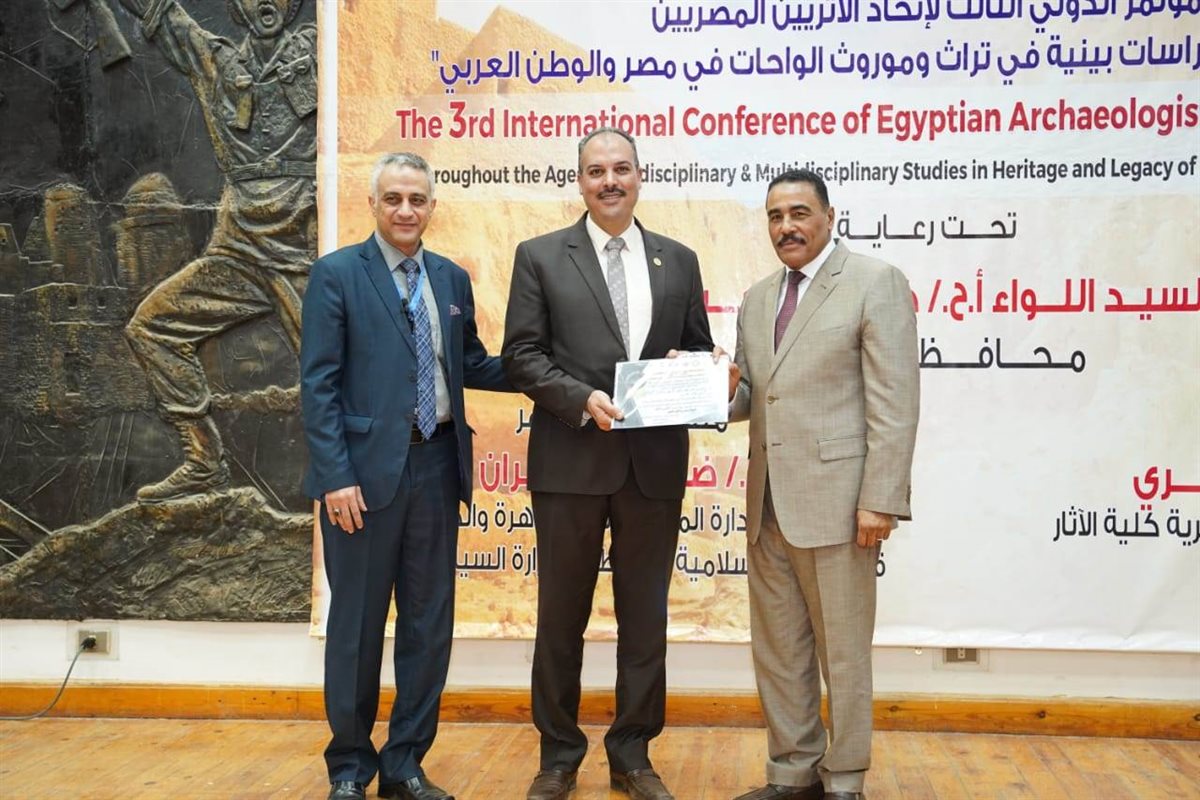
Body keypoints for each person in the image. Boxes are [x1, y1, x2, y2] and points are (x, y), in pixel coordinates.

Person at [502, 127, 722, 800]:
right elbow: (521, 356)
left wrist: (698, 368)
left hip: (652, 468)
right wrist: (580, 398)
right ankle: (558, 757)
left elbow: (698, 348)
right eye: (596, 170)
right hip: (569, 463)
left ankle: (632, 756)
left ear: (638, 176)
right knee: (560, 619)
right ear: (580, 181)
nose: (609, 181)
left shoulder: (678, 260)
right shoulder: (540, 256)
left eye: (621, 168)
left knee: (645, 620)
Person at [300, 153, 511, 800]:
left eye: (417, 199)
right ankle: (349, 767)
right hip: (361, 481)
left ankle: (404, 765)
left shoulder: (450, 278)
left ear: (432, 207)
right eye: (393, 198)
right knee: (356, 629)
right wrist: (335, 476)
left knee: (428, 625)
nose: (405, 210)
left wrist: (549, 366)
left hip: (438, 469)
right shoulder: (337, 274)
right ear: (372, 204)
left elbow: (472, 364)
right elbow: (318, 384)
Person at [727, 169, 920, 800]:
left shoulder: (875, 282)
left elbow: (895, 404)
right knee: (779, 652)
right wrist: (716, 389)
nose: (786, 226)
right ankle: (793, 773)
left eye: (799, 213)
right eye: (775, 216)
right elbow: (755, 397)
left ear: (830, 217)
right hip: (768, 507)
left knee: (844, 653)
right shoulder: (758, 298)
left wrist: (880, 500)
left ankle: (845, 779)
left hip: (840, 507)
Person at [117, 0, 317, 502]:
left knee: (339, 368)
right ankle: (204, 458)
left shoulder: (322, 50)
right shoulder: (216, 60)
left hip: (305, 251)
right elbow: (162, 12)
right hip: (238, 250)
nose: (267, 2)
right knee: (151, 326)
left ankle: (361, 480)